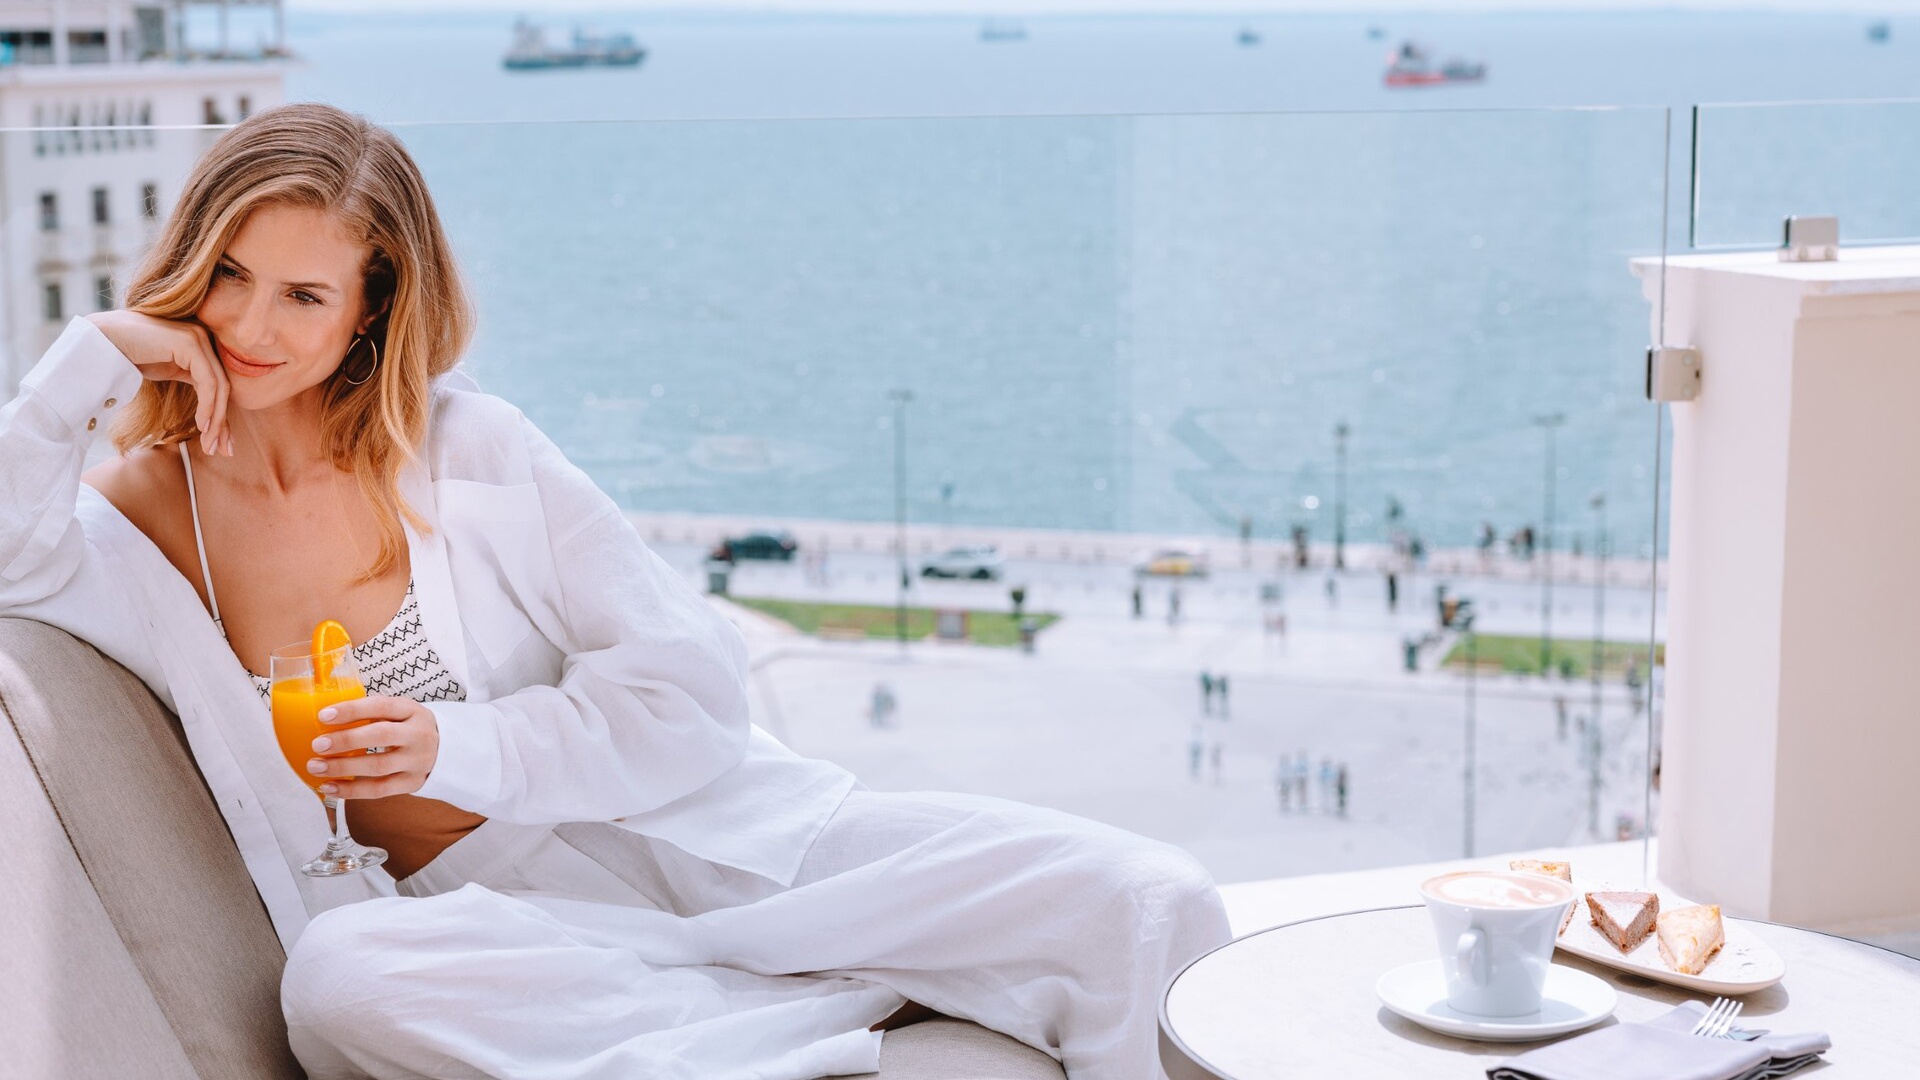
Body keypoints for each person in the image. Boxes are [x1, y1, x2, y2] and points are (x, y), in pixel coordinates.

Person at [0, 104, 1229, 1080]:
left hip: (686, 844)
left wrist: (454, 744)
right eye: (229, 273)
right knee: (345, 986)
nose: (250, 324)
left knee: (1142, 899)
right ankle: (804, 1006)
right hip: (490, 935)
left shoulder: (471, 450)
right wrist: (83, 365)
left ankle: (795, 974)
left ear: (372, 310)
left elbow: (688, 690)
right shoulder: (139, 525)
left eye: (305, 294)